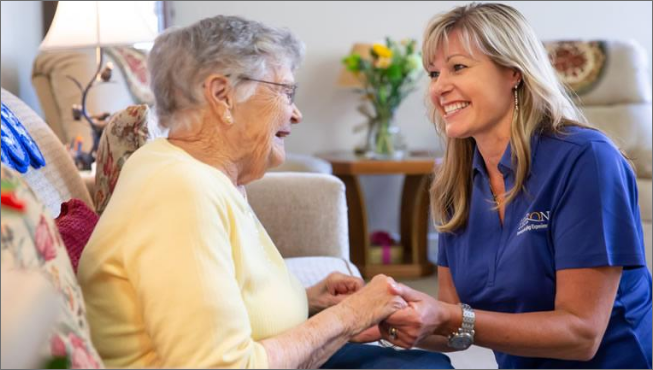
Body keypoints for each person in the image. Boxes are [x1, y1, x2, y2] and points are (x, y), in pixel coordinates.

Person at [77, 15, 452, 369]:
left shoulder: (203, 173)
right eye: (286, 92)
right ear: (222, 96)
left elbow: (208, 300)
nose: (296, 113)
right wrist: (350, 316)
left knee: (428, 363)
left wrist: (306, 300)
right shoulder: (180, 191)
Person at [377, 3, 652, 369]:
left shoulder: (586, 160)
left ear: (513, 73)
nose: (439, 87)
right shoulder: (450, 186)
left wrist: (449, 318)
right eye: (433, 73)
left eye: (458, 66)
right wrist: (383, 317)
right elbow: (449, 325)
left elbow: (582, 333)